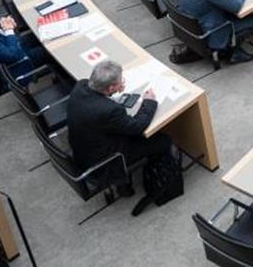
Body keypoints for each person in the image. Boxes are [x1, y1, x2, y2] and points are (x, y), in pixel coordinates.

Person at [67, 60, 175, 195]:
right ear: (111, 88)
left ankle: (124, 183)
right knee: (163, 140)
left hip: (83, 152)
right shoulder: (109, 110)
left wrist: (113, 91)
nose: (122, 83)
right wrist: (149, 101)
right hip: (106, 161)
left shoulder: (80, 86)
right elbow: (138, 126)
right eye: (120, 82)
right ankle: (158, 179)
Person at [0, 0, 48, 89]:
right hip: (20, 63)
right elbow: (13, 56)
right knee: (52, 49)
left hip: (14, 46)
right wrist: (9, 30)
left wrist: (4, 23)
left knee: (40, 31)